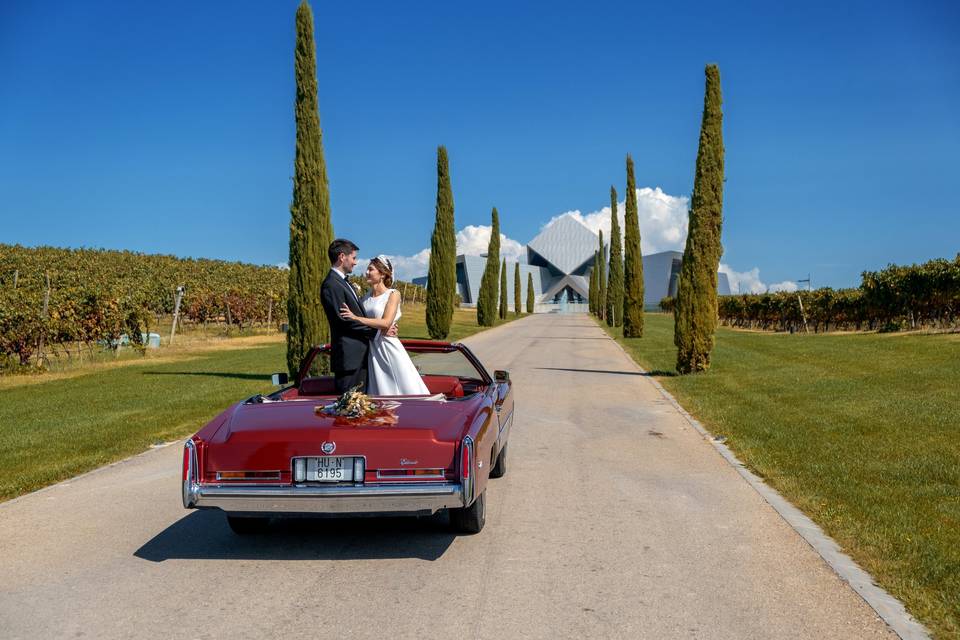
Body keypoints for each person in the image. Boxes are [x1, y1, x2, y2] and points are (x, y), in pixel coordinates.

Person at [339, 255, 430, 396]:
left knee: (402, 385)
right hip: (372, 348)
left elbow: (387, 322)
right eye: (367, 269)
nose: (367, 273)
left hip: (388, 346)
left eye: (371, 269)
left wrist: (356, 318)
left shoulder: (393, 294)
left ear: (382, 274)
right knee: (379, 388)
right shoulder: (364, 298)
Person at [320, 239, 397, 394]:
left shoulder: (343, 282)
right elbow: (344, 321)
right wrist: (378, 332)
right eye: (353, 258)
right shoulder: (331, 285)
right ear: (342, 257)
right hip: (349, 360)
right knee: (351, 409)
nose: (355, 263)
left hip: (361, 357)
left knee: (363, 407)